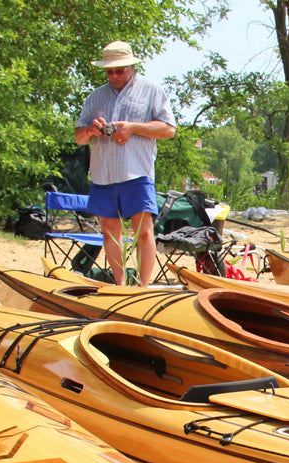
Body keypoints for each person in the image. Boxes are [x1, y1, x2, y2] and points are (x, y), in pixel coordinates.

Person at [75, 41, 176, 286]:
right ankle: (120, 286)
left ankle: (143, 288)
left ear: (132, 66)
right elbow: (79, 137)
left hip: (137, 173)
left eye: (119, 70)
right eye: (109, 71)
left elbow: (168, 129)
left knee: (143, 231)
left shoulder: (152, 91)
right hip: (103, 175)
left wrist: (132, 128)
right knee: (110, 233)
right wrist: (92, 130)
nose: (114, 75)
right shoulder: (95, 97)